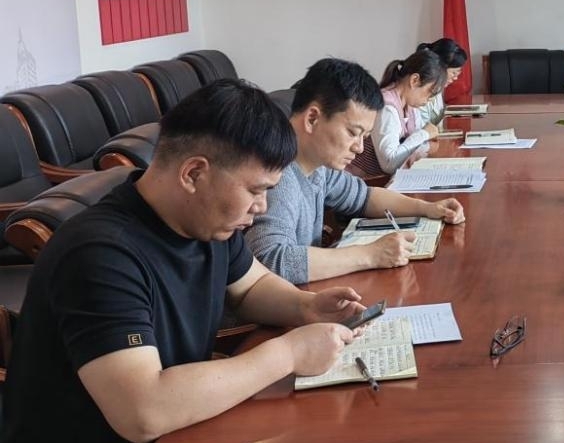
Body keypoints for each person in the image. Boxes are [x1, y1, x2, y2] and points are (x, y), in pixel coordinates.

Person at [0, 80, 366, 443]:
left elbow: (251, 286)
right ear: (193, 174)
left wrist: (306, 306)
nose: (261, 207)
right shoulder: (98, 254)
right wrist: (289, 353)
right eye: (255, 190)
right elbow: (143, 411)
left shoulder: (208, 221)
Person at [247, 58, 465, 286]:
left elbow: (364, 197)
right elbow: (271, 260)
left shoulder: (318, 165)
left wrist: (427, 208)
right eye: (353, 133)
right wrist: (371, 255)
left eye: (365, 136)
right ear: (312, 118)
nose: (359, 147)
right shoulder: (277, 175)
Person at [348, 49, 449, 177]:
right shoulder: (387, 107)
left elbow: (420, 144)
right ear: (414, 80)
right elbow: (389, 164)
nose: (429, 100)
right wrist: (424, 134)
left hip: (386, 179)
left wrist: (425, 139)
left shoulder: (410, 105)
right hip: (365, 180)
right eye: (430, 93)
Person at [416, 38, 469, 126]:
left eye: (458, 73)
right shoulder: (419, 93)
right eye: (453, 73)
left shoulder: (437, 88)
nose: (456, 78)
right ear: (440, 68)